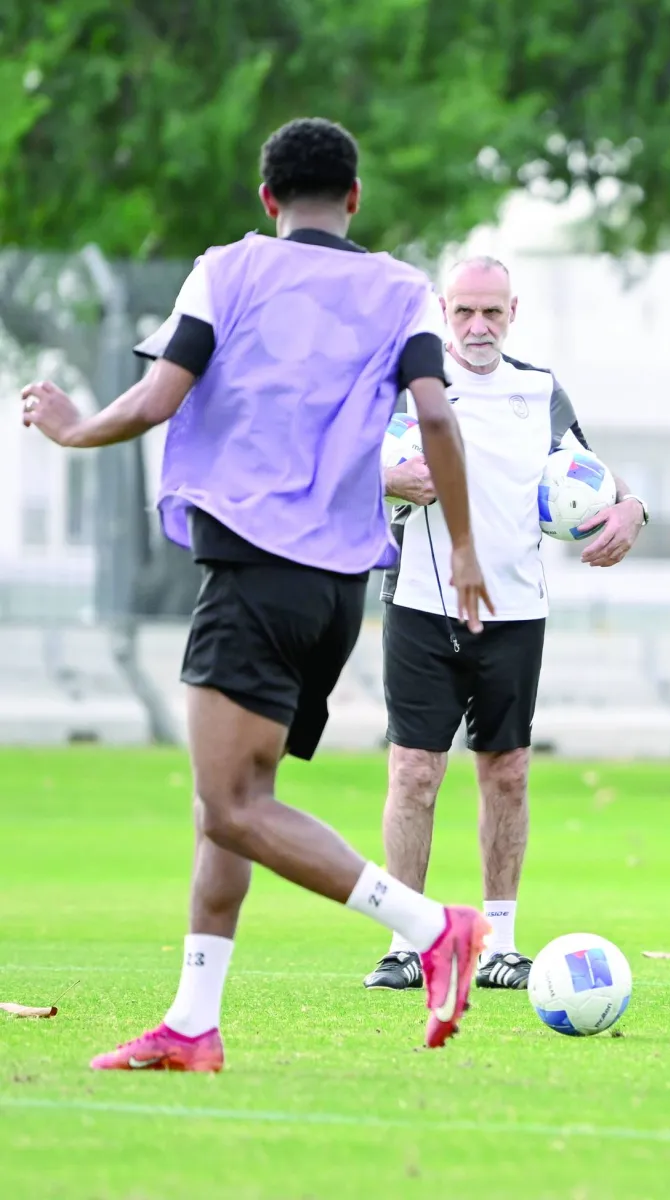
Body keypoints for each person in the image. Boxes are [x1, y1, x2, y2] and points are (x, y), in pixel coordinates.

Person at [19, 118, 494, 1070]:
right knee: (232, 802)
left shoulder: (226, 268)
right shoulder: (403, 289)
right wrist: (470, 549)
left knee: (231, 805)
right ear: (354, 198)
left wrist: (73, 432)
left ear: (266, 198)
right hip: (336, 593)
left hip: (254, 569)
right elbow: (436, 413)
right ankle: (194, 1022)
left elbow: (157, 399)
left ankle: (433, 926)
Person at [362, 256, 648, 992]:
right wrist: (384, 477)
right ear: (441, 311)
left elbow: (594, 474)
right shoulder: (404, 387)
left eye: (492, 312)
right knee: (414, 772)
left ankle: (502, 947)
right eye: (465, 312)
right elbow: (339, 460)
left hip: (517, 611)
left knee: (508, 775)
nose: (479, 326)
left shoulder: (540, 390)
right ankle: (408, 943)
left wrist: (632, 507)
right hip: (422, 603)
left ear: (513, 312)